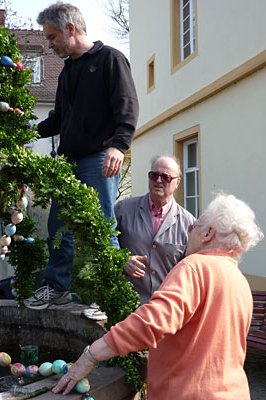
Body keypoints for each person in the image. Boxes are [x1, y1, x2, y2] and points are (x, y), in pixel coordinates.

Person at [52, 193, 264, 400]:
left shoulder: (194, 267)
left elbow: (152, 322)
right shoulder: (240, 281)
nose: (189, 234)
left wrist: (91, 355)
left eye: (193, 227)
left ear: (208, 233)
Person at [24, 2, 139, 310]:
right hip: (68, 163)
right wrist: (28, 130)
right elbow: (59, 119)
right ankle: (58, 290)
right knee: (58, 227)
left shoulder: (110, 60)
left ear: (70, 30)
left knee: (102, 226)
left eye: (51, 37)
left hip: (99, 158)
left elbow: (127, 106)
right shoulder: (67, 72)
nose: (48, 45)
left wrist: (119, 145)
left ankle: (113, 299)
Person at [115, 155, 195, 304]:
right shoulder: (123, 210)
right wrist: (121, 260)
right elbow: (103, 246)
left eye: (165, 177)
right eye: (154, 175)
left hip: (165, 310)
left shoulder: (189, 224)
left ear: (177, 182)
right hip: (125, 306)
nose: (158, 181)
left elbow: (190, 274)